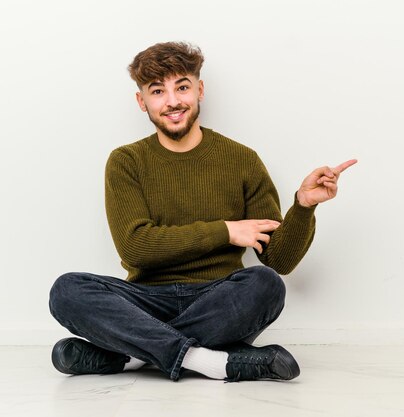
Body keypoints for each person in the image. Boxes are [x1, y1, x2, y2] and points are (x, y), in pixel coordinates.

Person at [48, 41, 356, 382]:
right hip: (145, 300)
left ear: (200, 90)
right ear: (142, 102)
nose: (173, 101)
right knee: (67, 290)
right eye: (157, 91)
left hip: (217, 299)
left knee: (265, 284)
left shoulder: (241, 159)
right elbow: (135, 247)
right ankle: (211, 362)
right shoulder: (126, 161)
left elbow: (279, 261)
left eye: (182, 87)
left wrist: (303, 206)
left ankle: (132, 354)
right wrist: (226, 230)